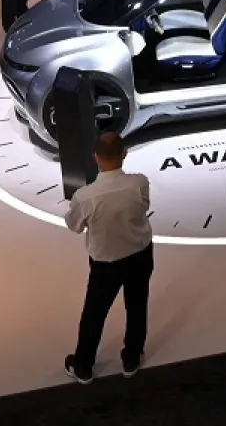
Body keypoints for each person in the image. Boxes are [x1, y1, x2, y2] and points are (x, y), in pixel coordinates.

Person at [63, 131, 154, 384]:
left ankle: (83, 366)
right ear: (125, 154)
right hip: (140, 255)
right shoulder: (139, 183)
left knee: (94, 313)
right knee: (137, 306)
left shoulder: (85, 196)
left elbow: (75, 226)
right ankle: (132, 358)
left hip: (105, 264)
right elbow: (144, 206)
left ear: (95, 157)